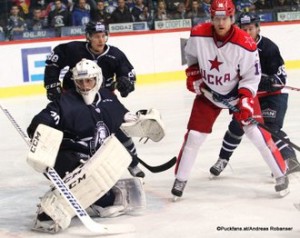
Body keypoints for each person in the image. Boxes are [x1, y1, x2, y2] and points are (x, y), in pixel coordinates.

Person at [171, 0, 289, 200]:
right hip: (208, 94)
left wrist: (244, 100)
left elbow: (252, 77)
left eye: (224, 18)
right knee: (194, 136)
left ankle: (280, 174)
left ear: (232, 18)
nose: (220, 22)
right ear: (211, 18)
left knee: (256, 134)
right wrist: (194, 77)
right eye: (217, 18)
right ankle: (180, 179)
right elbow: (191, 58)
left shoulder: (246, 43)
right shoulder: (198, 33)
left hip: (237, 94)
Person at [27, 59, 151, 232]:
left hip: (96, 161)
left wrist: (139, 120)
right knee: (102, 199)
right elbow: (46, 117)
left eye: (89, 80)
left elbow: (124, 117)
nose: (85, 86)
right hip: (67, 158)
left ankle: (85, 199)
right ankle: (55, 208)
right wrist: (37, 128)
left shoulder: (108, 98)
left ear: (97, 79)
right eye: (80, 81)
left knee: (111, 199)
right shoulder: (66, 101)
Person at [43, 21, 145, 178]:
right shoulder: (73, 49)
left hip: (103, 98)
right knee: (69, 132)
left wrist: (126, 84)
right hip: (74, 98)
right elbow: (53, 61)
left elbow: (128, 75)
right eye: (97, 36)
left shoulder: (115, 54)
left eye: (103, 36)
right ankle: (62, 164)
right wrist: (51, 84)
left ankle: (133, 163)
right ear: (88, 37)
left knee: (118, 129)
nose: (101, 40)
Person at [210, 12, 300, 177]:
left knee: (270, 128)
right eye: (244, 29)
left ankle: (288, 160)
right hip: (250, 97)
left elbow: (280, 78)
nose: (247, 32)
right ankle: (223, 159)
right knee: (237, 126)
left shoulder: (269, 48)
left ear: (258, 28)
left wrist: (268, 81)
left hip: (273, 96)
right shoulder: (234, 49)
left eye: (250, 28)